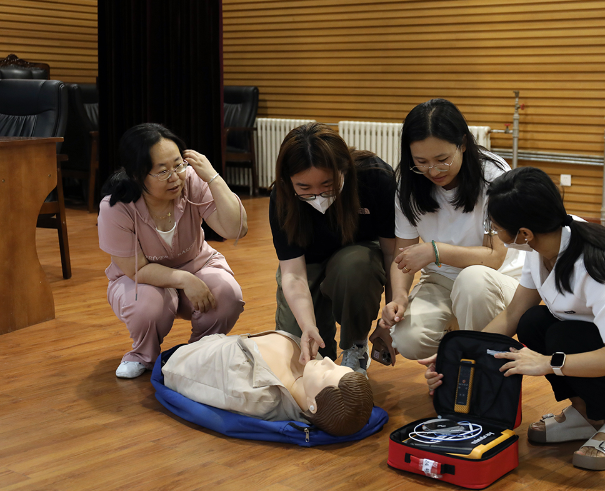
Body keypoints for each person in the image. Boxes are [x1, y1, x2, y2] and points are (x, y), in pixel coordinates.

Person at [423, 166, 605, 470]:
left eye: (496, 226)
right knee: (534, 322)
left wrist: (547, 363)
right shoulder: (544, 242)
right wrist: (458, 355)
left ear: (524, 234)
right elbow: (514, 314)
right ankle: (587, 414)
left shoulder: (595, 266)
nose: (494, 232)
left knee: (565, 337)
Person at [375, 99, 524, 362]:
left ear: (463, 144)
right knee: (408, 339)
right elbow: (402, 255)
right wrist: (399, 297)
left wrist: (435, 251)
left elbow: (495, 256)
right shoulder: (409, 186)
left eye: (442, 159)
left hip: (497, 278)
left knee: (472, 281)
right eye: (421, 161)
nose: (432, 171)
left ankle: (472, 364)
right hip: (442, 280)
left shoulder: (493, 175)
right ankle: (458, 340)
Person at [98, 123, 247, 379]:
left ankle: (199, 352)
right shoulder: (116, 207)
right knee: (147, 305)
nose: (175, 176)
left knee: (227, 294)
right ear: (137, 174)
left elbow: (236, 229)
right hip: (141, 278)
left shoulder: (192, 182)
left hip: (197, 265)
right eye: (162, 171)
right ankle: (143, 355)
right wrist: (184, 280)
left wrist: (213, 177)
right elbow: (136, 269)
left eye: (178, 165)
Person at [269, 122, 396, 376]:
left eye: (327, 184)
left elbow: (392, 253)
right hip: (307, 265)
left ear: (344, 168)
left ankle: (356, 345)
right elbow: (293, 274)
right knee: (302, 354)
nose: (318, 195)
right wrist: (307, 326)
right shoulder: (281, 198)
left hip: (356, 257)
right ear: (288, 181)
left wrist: (390, 320)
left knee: (355, 268)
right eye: (304, 188)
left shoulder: (375, 178)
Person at [162, 331, 374, 436]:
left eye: (327, 374)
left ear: (313, 405)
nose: (327, 360)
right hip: (214, 343)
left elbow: (182, 372)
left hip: (187, 357)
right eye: (337, 366)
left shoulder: (258, 395)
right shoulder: (310, 362)